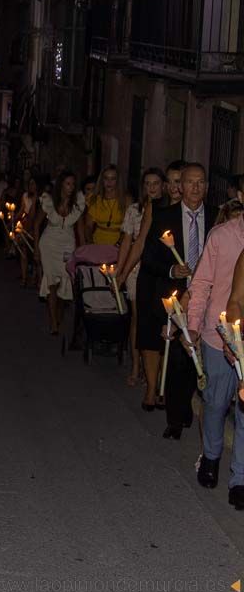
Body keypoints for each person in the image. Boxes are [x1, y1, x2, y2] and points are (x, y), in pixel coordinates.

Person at [140, 162, 208, 440]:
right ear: (180, 187)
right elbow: (150, 259)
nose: (195, 188)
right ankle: (176, 418)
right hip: (175, 297)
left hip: (204, 298)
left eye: (200, 182)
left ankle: (185, 406)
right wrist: (171, 270)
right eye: (190, 182)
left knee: (195, 356)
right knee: (179, 356)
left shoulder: (216, 218)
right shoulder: (164, 216)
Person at [190, 202, 244, 509]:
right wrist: (194, 326)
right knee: (215, 402)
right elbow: (201, 284)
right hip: (218, 335)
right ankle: (210, 458)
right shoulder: (222, 236)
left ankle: (240, 479)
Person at [124, 162, 185, 407]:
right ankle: (151, 387)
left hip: (177, 278)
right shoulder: (155, 208)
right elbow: (139, 243)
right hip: (152, 276)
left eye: (178, 180)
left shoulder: (190, 211)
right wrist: (122, 273)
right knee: (149, 333)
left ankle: (164, 383)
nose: (174, 186)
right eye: (170, 181)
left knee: (171, 334)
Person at [116, 168, 165, 387]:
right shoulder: (134, 211)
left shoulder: (166, 210)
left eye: (156, 183)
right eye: (148, 183)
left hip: (157, 270)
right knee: (138, 318)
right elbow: (129, 242)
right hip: (136, 270)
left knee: (155, 322)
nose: (152, 187)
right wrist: (120, 271)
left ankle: (152, 369)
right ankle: (136, 365)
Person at [32, 171, 85, 336]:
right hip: (49, 244)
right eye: (68, 183)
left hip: (67, 245)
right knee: (52, 284)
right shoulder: (49, 201)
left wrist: (83, 252)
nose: (71, 187)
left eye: (73, 184)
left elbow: (81, 230)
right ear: (61, 184)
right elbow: (36, 224)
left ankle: (58, 314)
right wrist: (35, 248)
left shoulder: (77, 205)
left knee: (64, 283)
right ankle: (54, 322)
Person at [81, 165, 129, 246]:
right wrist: (90, 243)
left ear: (118, 181)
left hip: (119, 245)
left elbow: (128, 228)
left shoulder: (126, 200)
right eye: (106, 178)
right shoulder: (95, 199)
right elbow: (88, 226)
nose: (109, 182)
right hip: (97, 242)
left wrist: (118, 244)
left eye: (113, 179)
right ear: (102, 180)